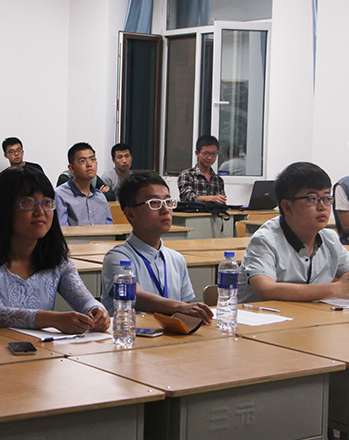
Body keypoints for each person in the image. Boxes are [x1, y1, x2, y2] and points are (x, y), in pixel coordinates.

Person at [0, 166, 110, 332]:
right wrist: (53, 319)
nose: (40, 211)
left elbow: (84, 299)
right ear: (6, 208)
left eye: (47, 202)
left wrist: (97, 310)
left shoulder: (57, 260)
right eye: (28, 202)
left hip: (41, 347)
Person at [238, 162, 349, 304]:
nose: (322, 206)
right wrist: (336, 289)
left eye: (327, 198)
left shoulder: (330, 239)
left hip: (310, 315)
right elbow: (265, 290)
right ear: (287, 207)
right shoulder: (265, 240)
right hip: (265, 317)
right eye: (313, 199)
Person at [101, 172, 213, 321]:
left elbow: (186, 311)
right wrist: (178, 307)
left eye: (168, 201)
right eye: (154, 203)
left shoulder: (176, 259)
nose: (165, 209)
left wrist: (185, 310)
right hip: (130, 333)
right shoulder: (117, 258)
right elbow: (133, 295)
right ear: (131, 213)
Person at [54, 142, 113, 226]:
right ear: (71, 168)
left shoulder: (100, 197)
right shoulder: (60, 195)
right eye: (82, 161)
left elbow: (109, 228)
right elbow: (62, 229)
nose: (89, 164)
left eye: (92, 159)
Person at [177, 135, 227, 203]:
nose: (210, 158)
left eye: (213, 154)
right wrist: (210, 198)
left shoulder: (218, 180)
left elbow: (221, 203)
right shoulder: (187, 175)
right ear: (197, 153)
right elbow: (186, 196)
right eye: (206, 154)